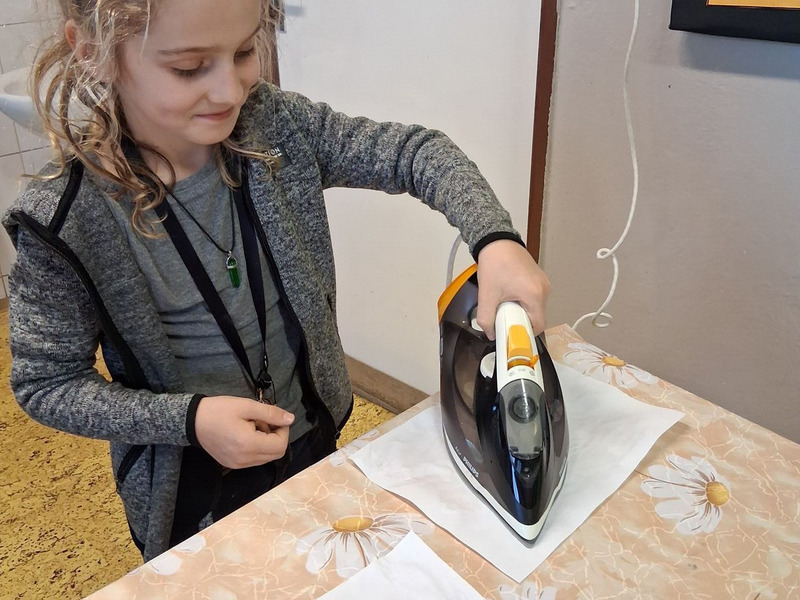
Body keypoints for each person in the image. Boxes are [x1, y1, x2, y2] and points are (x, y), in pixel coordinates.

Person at [3, 0, 551, 562]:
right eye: (189, 68)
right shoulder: (65, 218)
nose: (230, 91)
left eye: (245, 51)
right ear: (93, 52)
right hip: (190, 487)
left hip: (311, 436)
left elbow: (417, 153)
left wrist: (496, 240)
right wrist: (190, 419)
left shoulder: (275, 126)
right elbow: (47, 385)